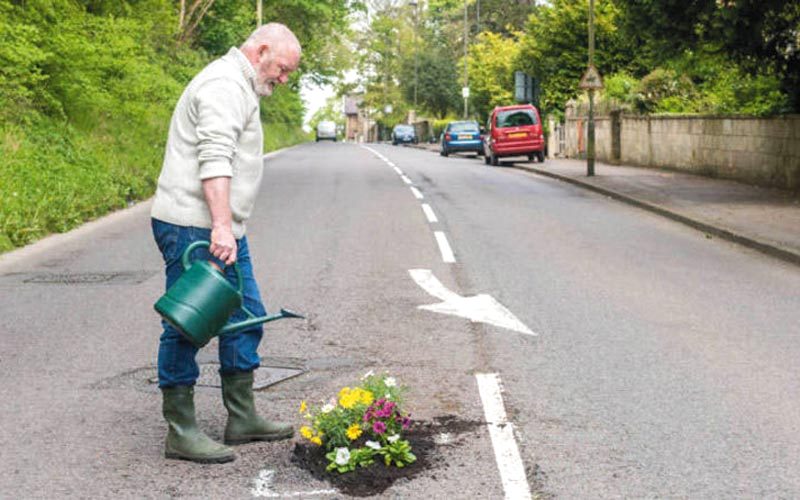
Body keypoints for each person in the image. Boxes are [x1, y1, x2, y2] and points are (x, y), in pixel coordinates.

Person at [150, 23, 301, 464]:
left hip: (220, 226)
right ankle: (180, 430)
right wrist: (220, 226)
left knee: (247, 313)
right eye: (282, 69)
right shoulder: (222, 85)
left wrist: (227, 226)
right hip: (196, 227)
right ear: (262, 50)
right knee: (189, 323)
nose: (284, 79)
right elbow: (214, 159)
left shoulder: (239, 85)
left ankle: (242, 416)